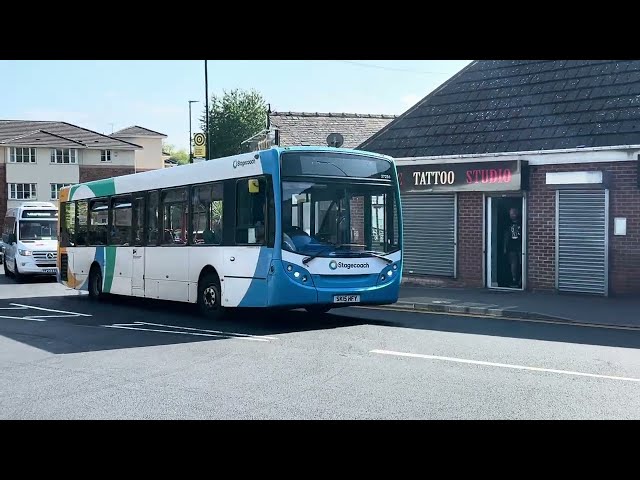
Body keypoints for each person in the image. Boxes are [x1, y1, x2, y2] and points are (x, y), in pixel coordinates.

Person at [503, 207, 522, 288]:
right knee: (513, 264)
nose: (512, 215)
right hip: (512, 246)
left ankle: (521, 279)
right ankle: (514, 279)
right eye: (511, 214)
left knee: (522, 263)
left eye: (513, 213)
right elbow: (506, 236)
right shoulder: (508, 224)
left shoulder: (522, 222)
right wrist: (505, 247)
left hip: (521, 246)